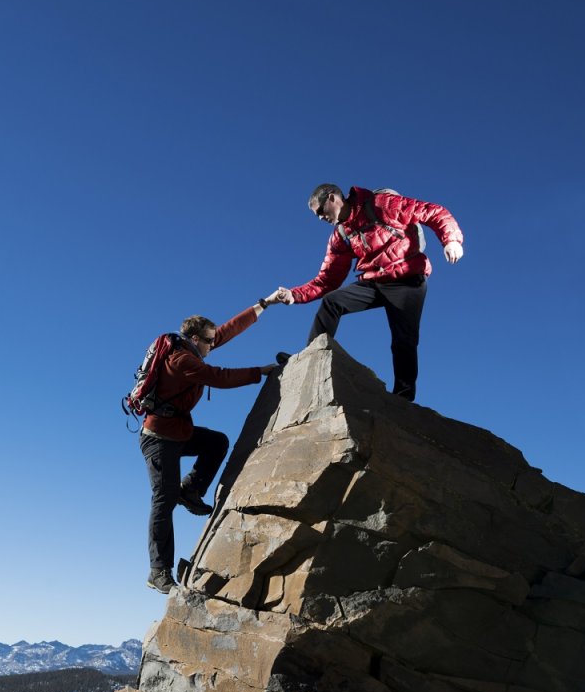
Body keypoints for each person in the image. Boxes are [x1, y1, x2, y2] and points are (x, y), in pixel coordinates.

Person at [271, 184, 464, 401]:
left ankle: (403, 396)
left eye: (320, 211)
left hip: (407, 280)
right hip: (375, 283)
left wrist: (451, 240)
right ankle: (309, 358)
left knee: (404, 340)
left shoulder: (381, 205)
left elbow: (434, 212)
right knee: (332, 301)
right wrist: (294, 295)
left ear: (332, 198)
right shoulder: (341, 235)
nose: (320, 218)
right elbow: (328, 279)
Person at [140, 297, 281, 594]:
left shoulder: (194, 348)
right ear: (194, 339)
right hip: (159, 440)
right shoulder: (181, 360)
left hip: (178, 432)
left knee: (216, 442)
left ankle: (190, 490)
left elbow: (227, 330)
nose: (212, 344)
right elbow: (218, 377)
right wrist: (261, 372)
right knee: (163, 502)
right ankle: (158, 571)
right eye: (208, 341)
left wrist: (263, 305)